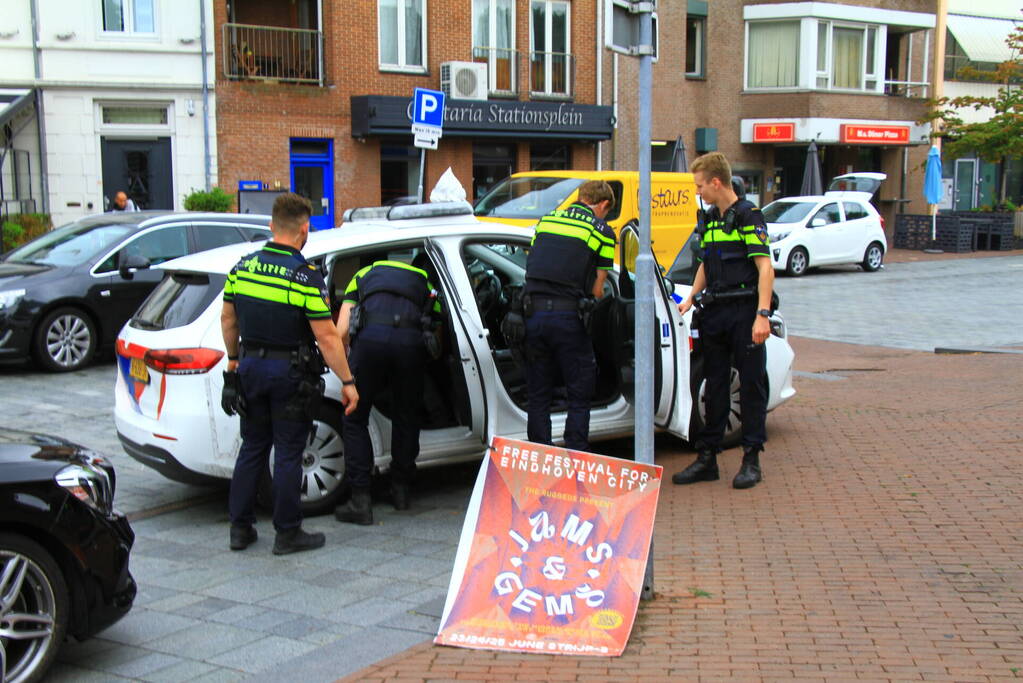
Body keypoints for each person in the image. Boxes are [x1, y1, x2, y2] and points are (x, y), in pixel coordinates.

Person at [220, 192, 359, 554]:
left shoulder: (243, 267)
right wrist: (347, 382)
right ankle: (287, 533)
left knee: (252, 447)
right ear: (304, 229)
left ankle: (240, 528)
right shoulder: (304, 277)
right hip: (288, 374)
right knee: (287, 452)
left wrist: (234, 362)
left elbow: (228, 319)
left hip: (250, 368)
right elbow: (327, 336)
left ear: (271, 226)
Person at [674, 152, 774, 490]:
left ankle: (751, 459)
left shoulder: (749, 216)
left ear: (717, 182)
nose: (698, 192)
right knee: (713, 386)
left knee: (750, 385)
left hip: (744, 311)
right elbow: (706, 262)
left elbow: (765, 267)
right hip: (714, 310)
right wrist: (690, 297)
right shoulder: (711, 219)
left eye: (700, 186)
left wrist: (762, 315)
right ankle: (707, 458)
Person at [333, 258, 442, 525]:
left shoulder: (362, 275)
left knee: (355, 417)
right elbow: (436, 337)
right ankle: (401, 490)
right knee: (407, 416)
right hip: (410, 345)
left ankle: (361, 500)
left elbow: (343, 330)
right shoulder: (426, 282)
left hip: (369, 342)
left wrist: (350, 369)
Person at [522, 179, 616, 452]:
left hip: (533, 316)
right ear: (603, 204)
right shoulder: (601, 231)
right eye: (606, 211)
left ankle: (541, 454)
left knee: (539, 393)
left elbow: (535, 261)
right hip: (568, 320)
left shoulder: (547, 220)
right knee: (579, 391)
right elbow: (599, 289)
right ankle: (575, 454)